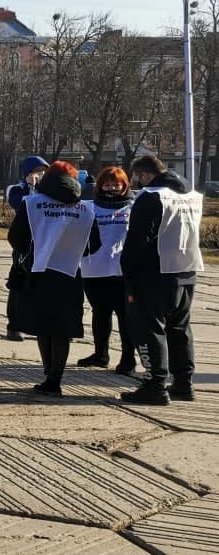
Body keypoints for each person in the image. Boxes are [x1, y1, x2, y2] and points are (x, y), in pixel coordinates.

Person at [7, 161, 99, 396]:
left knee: (42, 325)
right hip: (70, 272)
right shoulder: (86, 208)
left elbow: (15, 237)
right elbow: (94, 244)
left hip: (37, 270)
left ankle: (48, 374)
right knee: (62, 328)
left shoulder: (32, 203)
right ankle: (55, 377)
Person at [120, 154, 204, 406]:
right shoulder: (192, 195)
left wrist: (128, 274)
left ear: (145, 174)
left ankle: (155, 385)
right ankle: (183, 383)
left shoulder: (151, 196)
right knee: (179, 330)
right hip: (187, 270)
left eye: (138, 178)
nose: (138, 183)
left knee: (149, 329)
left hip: (154, 273)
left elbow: (137, 239)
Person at [76, 167, 135, 370]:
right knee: (100, 313)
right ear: (99, 186)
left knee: (125, 316)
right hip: (94, 269)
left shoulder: (133, 207)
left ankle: (128, 359)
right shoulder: (89, 207)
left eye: (116, 184)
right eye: (107, 184)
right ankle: (101, 354)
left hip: (121, 272)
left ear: (124, 185)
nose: (111, 188)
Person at [4, 155, 48, 341]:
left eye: (44, 170)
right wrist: (31, 187)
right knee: (19, 282)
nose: (41, 174)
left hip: (44, 241)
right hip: (24, 243)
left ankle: (42, 324)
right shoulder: (17, 189)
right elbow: (20, 205)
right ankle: (14, 325)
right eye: (37, 171)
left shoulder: (49, 189)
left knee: (44, 284)